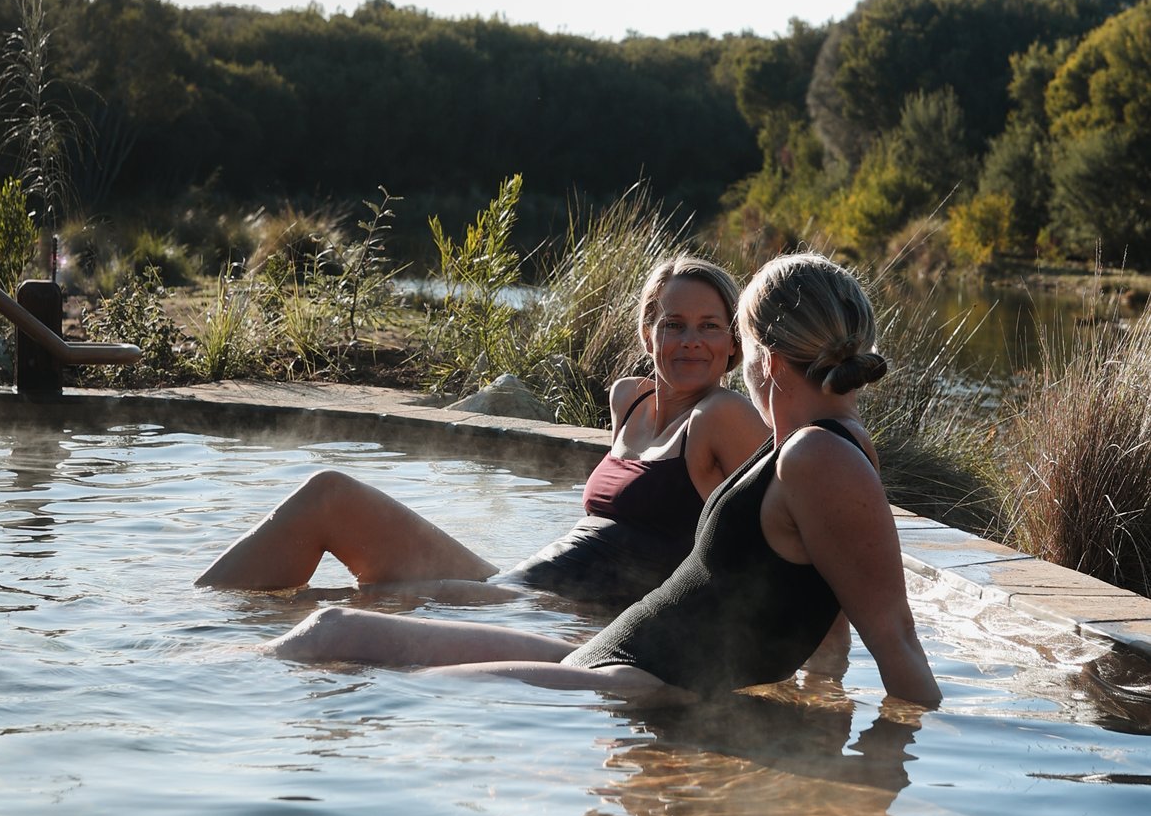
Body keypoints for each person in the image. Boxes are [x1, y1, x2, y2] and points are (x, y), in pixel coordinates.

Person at [262, 252, 941, 711]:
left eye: (728, 333)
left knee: (335, 647)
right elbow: (823, 595)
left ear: (762, 354)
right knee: (329, 630)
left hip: (641, 678)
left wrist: (905, 781)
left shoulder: (819, 456)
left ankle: (169, 698)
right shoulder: (810, 448)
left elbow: (893, 636)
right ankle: (170, 675)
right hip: (614, 650)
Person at [197, 256, 766, 607]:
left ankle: (200, 649)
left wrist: (818, 663)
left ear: (734, 344)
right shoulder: (631, 398)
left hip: (556, 617)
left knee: (349, 614)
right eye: (675, 324)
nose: (692, 340)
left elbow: (795, 532)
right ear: (648, 334)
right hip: (517, 587)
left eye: (711, 327)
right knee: (328, 496)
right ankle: (198, 619)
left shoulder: (721, 416)